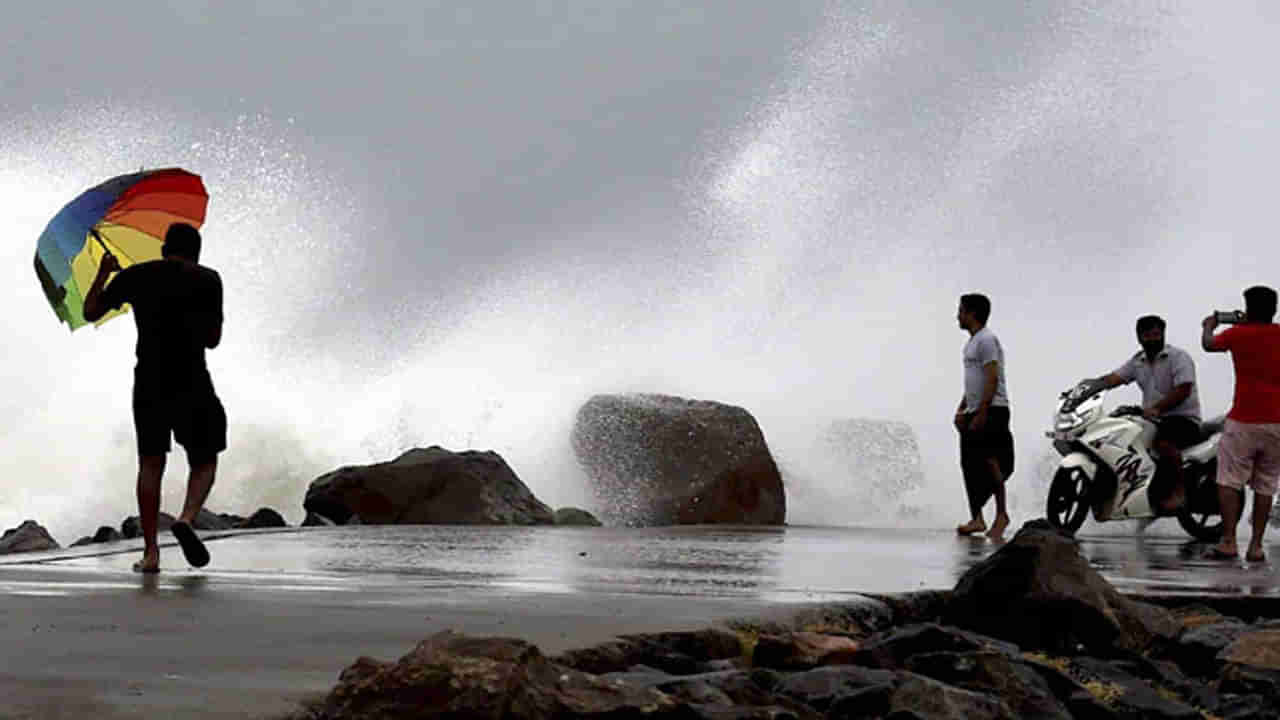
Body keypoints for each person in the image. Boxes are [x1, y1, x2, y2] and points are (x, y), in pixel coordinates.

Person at [83, 223, 225, 573]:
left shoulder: (136, 277)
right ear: (196, 250)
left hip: (149, 379)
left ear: (164, 247)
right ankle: (188, 518)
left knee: (150, 463)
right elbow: (213, 339)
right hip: (191, 376)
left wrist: (103, 274)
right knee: (205, 457)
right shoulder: (208, 279)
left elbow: (90, 312)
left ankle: (151, 554)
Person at [1085, 315, 1201, 514]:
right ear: (1139, 337)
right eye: (1148, 335)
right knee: (1118, 438)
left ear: (1163, 334)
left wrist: (1157, 408)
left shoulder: (1178, 357)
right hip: (1152, 420)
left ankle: (1178, 492)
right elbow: (1113, 379)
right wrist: (1086, 389)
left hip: (1183, 419)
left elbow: (1183, 389)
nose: (1153, 339)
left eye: (1157, 334)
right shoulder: (1138, 361)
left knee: (1163, 443)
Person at [1202, 285, 1280, 562]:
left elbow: (1209, 345)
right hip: (1277, 422)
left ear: (1247, 308)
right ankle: (1256, 546)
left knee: (1229, 481)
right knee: (1266, 484)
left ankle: (1229, 541)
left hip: (1244, 418)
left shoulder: (1237, 333)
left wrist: (1209, 326)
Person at [954, 293, 1014, 539]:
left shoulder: (987, 340)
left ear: (972, 313)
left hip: (993, 409)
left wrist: (983, 410)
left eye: (961, 310)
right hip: (974, 409)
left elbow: (992, 377)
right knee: (969, 464)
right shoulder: (971, 342)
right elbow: (973, 383)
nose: (957, 315)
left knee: (991, 461)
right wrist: (962, 408)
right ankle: (977, 518)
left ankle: (1001, 515)